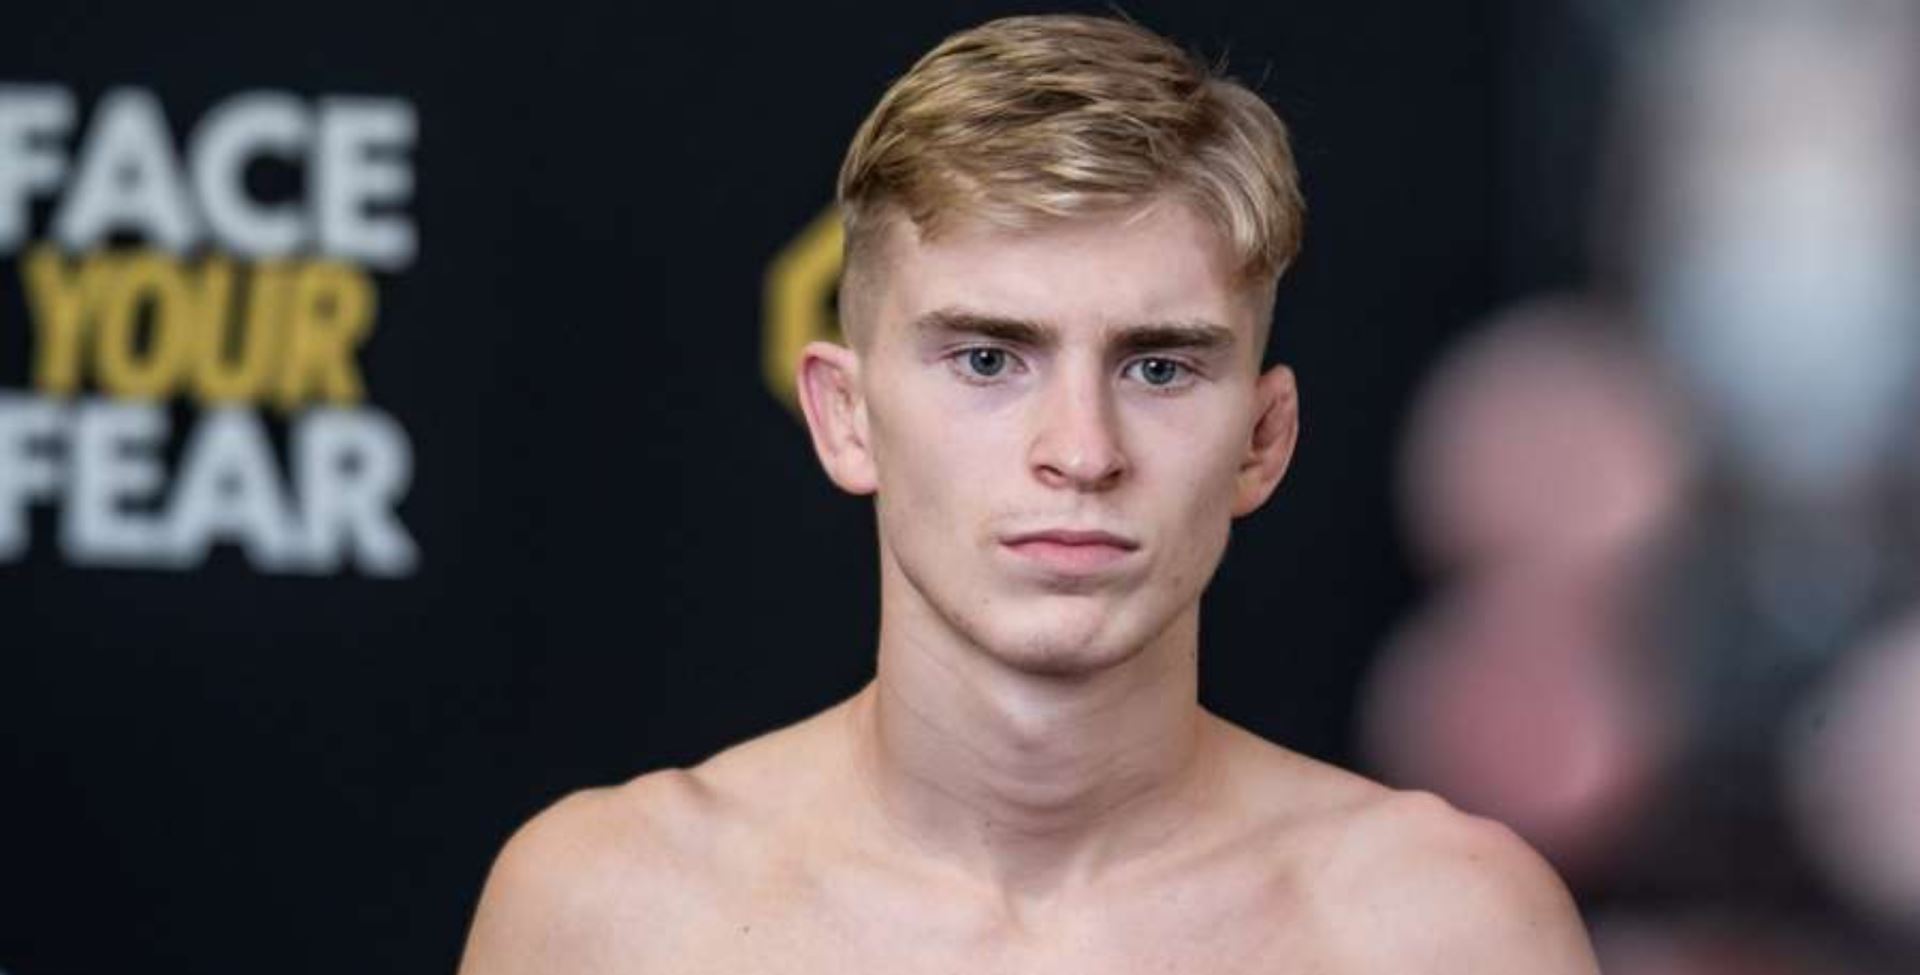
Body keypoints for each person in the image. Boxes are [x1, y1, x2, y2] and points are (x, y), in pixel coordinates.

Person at [457, 14, 1600, 973]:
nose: (1082, 451)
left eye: (1159, 368)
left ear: (1264, 439)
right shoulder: (612, 915)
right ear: (845, 417)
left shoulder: (1450, 933)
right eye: (988, 359)